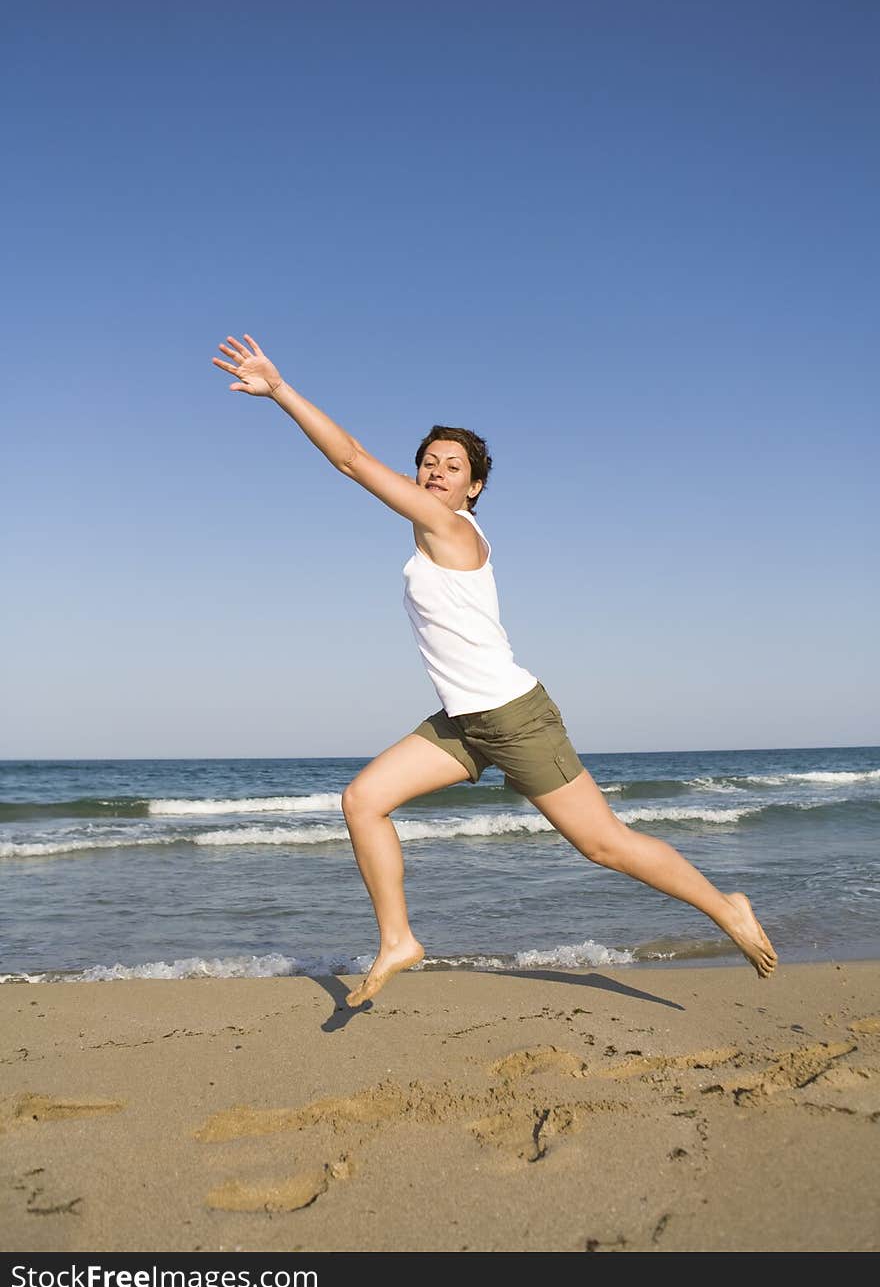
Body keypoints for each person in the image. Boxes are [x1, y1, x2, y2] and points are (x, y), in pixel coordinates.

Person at [213, 333, 778, 1007]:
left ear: (473, 489)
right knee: (363, 801)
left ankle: (726, 905)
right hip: (463, 723)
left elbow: (352, 460)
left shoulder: (454, 530)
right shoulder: (430, 539)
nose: (434, 471)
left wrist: (280, 391)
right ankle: (399, 940)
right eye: (427, 462)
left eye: (451, 466)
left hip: (512, 716)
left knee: (604, 846)